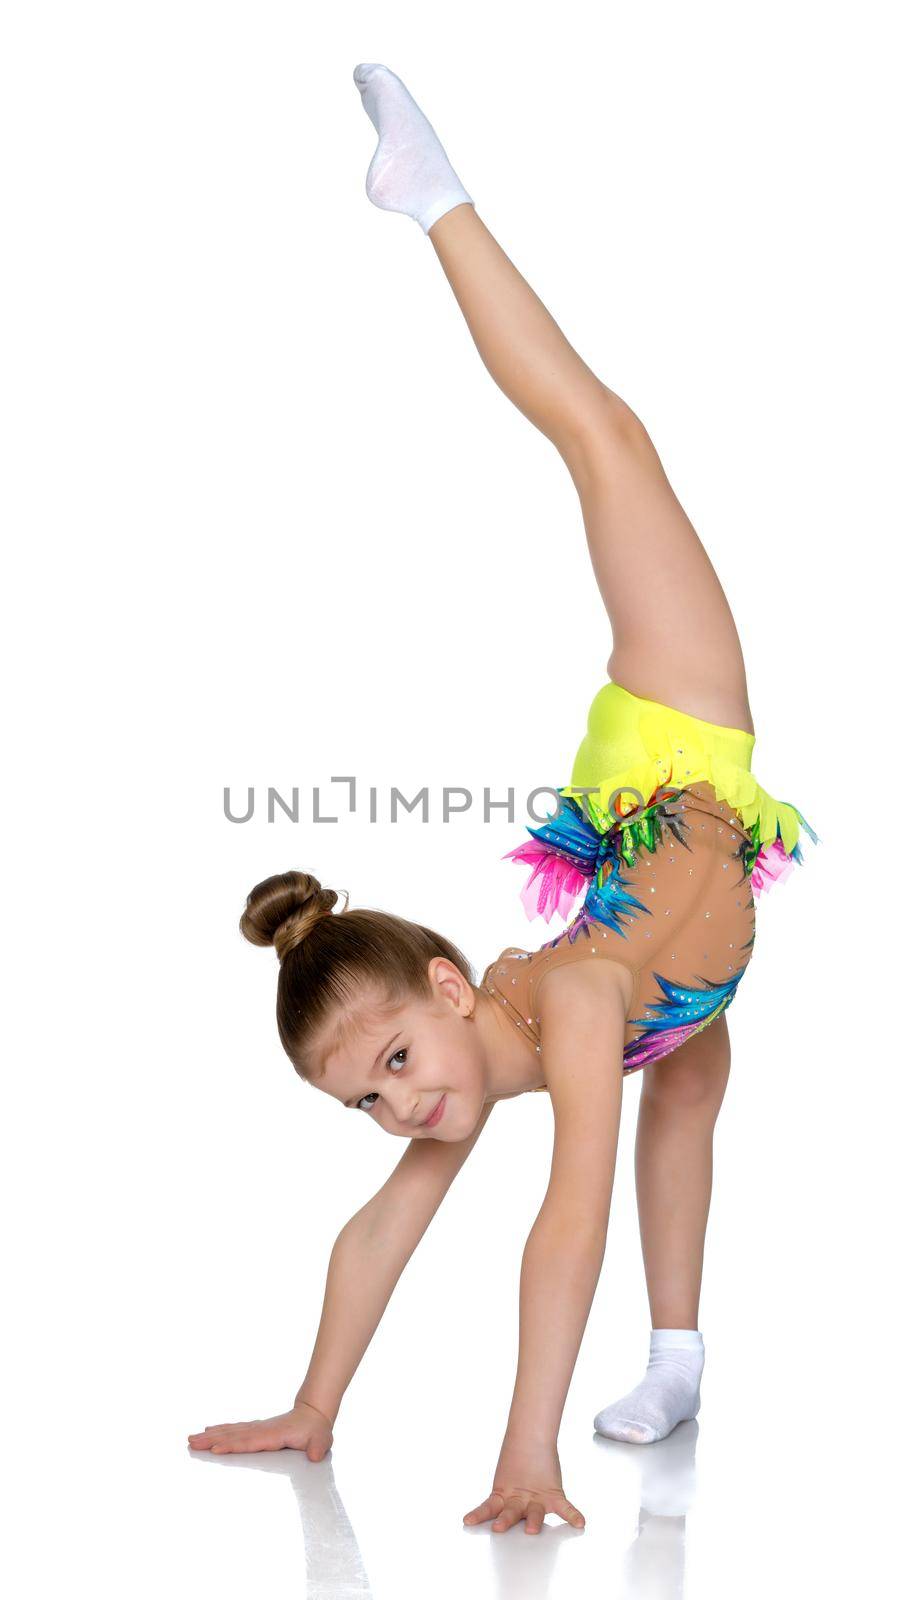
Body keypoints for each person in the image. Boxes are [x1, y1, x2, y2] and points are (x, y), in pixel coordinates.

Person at [187, 64, 817, 1536]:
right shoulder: (476, 1063)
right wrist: (314, 1409)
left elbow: (563, 1222)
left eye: (399, 1055)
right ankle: (679, 1361)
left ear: (450, 984)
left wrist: (524, 1454)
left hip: (682, 753)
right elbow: (376, 1239)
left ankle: (436, 200)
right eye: (371, 1099)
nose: (404, 1105)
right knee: (703, 1077)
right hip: (688, 955)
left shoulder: (576, 1010)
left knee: (604, 438)